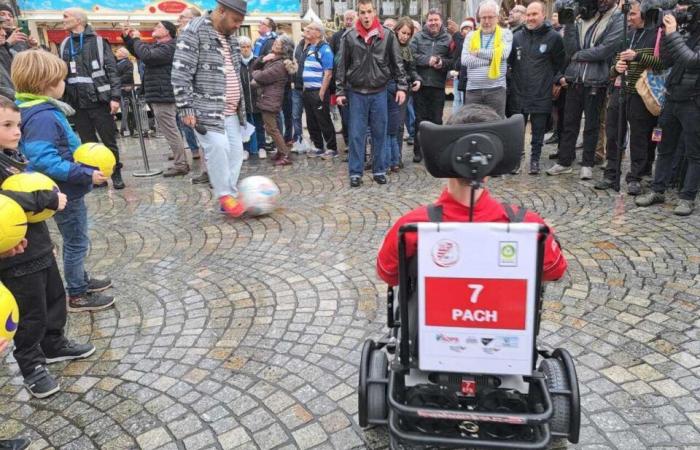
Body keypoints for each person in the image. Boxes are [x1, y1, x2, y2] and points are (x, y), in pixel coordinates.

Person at [377, 104, 567, 286]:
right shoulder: (530, 228)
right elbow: (554, 271)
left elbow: (389, 275)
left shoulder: (411, 228)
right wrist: (550, 237)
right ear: (495, 158)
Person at [0, 94, 98, 399]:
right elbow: (11, 201)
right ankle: (31, 365)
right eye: (7, 125)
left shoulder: (12, 158)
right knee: (31, 312)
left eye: (17, 124)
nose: (17, 131)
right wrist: (48, 199)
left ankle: (53, 343)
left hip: (37, 247)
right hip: (14, 257)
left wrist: (48, 243)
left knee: (54, 298)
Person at [13, 49, 116, 312]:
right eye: (61, 80)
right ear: (45, 84)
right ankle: (78, 293)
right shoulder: (43, 116)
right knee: (76, 241)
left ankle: (80, 279)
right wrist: (85, 173)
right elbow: (44, 160)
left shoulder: (38, 110)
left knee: (76, 237)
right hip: (63, 190)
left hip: (65, 188)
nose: (65, 84)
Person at [172, 0, 248, 217]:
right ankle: (225, 194)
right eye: (235, 20)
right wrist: (185, 107)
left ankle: (228, 197)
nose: (237, 26)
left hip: (231, 108)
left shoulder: (230, 37)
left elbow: (232, 69)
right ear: (221, 11)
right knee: (218, 147)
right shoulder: (194, 30)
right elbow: (180, 73)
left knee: (235, 153)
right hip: (206, 108)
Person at [546, 0, 624, 179]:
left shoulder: (618, 18)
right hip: (575, 79)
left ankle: (587, 163)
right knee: (569, 123)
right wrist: (570, 23)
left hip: (597, 80)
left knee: (592, 124)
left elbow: (605, 50)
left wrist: (578, 55)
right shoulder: (584, 14)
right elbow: (570, 48)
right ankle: (564, 162)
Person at [335, 0, 408, 187]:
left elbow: (397, 63)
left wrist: (401, 87)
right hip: (356, 92)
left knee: (379, 133)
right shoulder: (349, 36)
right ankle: (355, 173)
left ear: (374, 12)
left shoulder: (388, 35)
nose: (366, 16)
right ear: (358, 14)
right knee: (356, 134)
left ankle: (379, 170)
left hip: (379, 91)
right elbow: (341, 66)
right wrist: (340, 91)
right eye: (362, 12)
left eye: (369, 12)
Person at [636, 10, 700, 216]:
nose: (682, 11)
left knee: (694, 153)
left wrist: (673, 34)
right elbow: (665, 61)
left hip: (694, 101)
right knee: (664, 147)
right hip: (673, 98)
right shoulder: (686, 32)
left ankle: (687, 198)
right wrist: (664, 33)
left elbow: (692, 61)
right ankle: (658, 190)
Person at [595, 0, 663, 195]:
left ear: (643, 14)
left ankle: (636, 177)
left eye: (632, 14)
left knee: (639, 136)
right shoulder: (627, 35)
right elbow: (615, 63)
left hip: (641, 93)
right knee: (614, 132)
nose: (629, 18)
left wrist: (637, 57)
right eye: (628, 14)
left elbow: (662, 63)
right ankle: (611, 173)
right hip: (620, 90)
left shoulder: (657, 35)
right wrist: (616, 68)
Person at [59, 8, 125, 189]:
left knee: (109, 140)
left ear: (79, 20)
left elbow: (112, 71)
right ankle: (97, 177)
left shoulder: (98, 42)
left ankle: (116, 173)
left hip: (99, 101)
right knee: (88, 143)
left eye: (66, 16)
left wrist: (115, 97)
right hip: (76, 103)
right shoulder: (65, 43)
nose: (63, 20)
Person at [123, 21, 190, 177]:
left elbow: (146, 56)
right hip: (160, 93)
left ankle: (181, 164)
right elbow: (139, 53)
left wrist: (138, 39)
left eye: (158, 26)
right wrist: (129, 39)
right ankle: (181, 161)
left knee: (171, 131)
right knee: (171, 130)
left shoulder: (170, 46)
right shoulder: (160, 46)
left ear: (168, 32)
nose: (154, 28)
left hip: (164, 94)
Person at [507, 1, 565, 175]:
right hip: (519, 92)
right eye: (529, 14)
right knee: (517, 129)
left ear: (543, 15)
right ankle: (516, 160)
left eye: (534, 14)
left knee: (538, 131)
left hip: (541, 92)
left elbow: (560, 62)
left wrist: (555, 81)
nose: (531, 18)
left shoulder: (554, 37)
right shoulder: (516, 36)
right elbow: (509, 62)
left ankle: (534, 161)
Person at [410, 9, 454, 163]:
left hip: (437, 86)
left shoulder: (448, 39)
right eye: (430, 20)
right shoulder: (417, 37)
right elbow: (411, 56)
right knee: (420, 120)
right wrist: (427, 60)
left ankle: (435, 151)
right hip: (420, 85)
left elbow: (452, 61)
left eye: (436, 20)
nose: (433, 23)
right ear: (426, 22)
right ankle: (418, 151)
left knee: (436, 120)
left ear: (440, 21)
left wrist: (442, 63)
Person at [462, 0, 514, 118]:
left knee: (495, 125)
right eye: (483, 17)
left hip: (496, 90)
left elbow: (504, 54)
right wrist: (491, 59)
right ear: (479, 18)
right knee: (472, 123)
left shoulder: (505, 34)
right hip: (473, 90)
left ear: (497, 17)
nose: (486, 21)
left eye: (490, 17)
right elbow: (465, 60)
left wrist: (478, 52)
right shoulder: (471, 36)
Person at [252, 36, 297, 166]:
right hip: (267, 98)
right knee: (272, 127)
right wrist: (263, 59)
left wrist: (256, 72)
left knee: (272, 128)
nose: (274, 44)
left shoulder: (280, 64)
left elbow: (261, 76)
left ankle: (285, 155)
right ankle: (280, 151)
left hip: (270, 99)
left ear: (283, 48)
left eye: (277, 43)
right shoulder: (273, 59)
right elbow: (255, 68)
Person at [300, 22, 338, 159]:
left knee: (324, 120)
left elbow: (328, 73)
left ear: (318, 33)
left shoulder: (325, 49)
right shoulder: (310, 47)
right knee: (311, 121)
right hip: (308, 91)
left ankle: (332, 148)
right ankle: (318, 147)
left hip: (318, 91)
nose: (306, 30)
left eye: (310, 29)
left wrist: (322, 92)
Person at [389, 17, 422, 172]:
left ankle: (397, 157)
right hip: (389, 88)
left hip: (404, 89)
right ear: (396, 30)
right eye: (403, 33)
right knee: (386, 125)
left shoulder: (408, 49)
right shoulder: (389, 45)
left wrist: (416, 79)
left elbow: (412, 69)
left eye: (408, 34)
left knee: (399, 125)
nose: (405, 36)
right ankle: (386, 157)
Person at [330, 10, 357, 152]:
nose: (348, 21)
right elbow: (333, 60)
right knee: (345, 117)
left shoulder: (360, 36)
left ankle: (357, 143)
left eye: (351, 18)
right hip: (342, 84)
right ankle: (348, 142)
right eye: (346, 18)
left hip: (357, 84)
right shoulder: (336, 37)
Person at [239, 36, 263, 160]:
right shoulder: (236, 62)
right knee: (245, 126)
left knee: (259, 124)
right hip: (243, 100)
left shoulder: (257, 61)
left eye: (248, 46)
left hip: (257, 98)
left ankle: (261, 147)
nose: (245, 49)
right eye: (243, 47)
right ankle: (247, 148)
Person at [449, 19, 476, 116]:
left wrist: (456, 34)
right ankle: (456, 120)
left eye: (470, 28)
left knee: (465, 101)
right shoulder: (455, 42)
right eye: (465, 28)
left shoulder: (471, 42)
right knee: (457, 99)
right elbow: (454, 57)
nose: (467, 30)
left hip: (468, 78)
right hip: (457, 76)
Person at [115, 47, 135, 137]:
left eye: (118, 50)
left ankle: (126, 129)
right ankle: (125, 129)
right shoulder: (117, 63)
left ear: (123, 54)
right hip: (119, 89)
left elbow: (128, 76)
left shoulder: (127, 63)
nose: (116, 51)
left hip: (125, 90)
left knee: (125, 110)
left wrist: (115, 81)